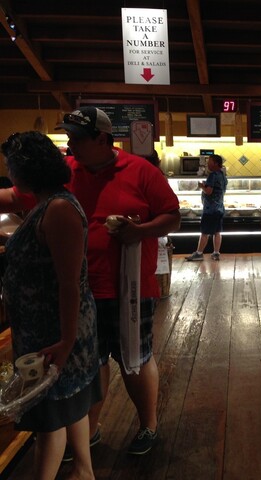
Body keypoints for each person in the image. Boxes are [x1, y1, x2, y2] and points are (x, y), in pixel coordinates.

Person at [0, 107, 181, 457]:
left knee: (135, 359)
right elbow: (15, 196)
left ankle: (148, 425)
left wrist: (140, 230)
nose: (70, 146)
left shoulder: (142, 170)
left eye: (77, 139)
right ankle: (91, 430)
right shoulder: (66, 170)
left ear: (102, 139)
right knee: (91, 364)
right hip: (81, 294)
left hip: (130, 289)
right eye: (68, 138)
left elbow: (172, 217)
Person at [1, 131, 100, 479]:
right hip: (47, 332)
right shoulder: (47, 204)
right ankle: (84, 472)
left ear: (26, 169)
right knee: (68, 408)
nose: (8, 173)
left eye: (10, 165)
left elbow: (69, 284)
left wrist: (66, 342)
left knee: (49, 419)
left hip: (54, 334)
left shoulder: (59, 208)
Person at [186, 154, 227, 261]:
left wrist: (202, 187)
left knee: (204, 232)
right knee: (217, 232)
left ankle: (199, 253)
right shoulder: (222, 175)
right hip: (219, 208)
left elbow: (209, 191)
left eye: (210, 162)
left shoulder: (213, 175)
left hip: (210, 209)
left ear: (216, 163)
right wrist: (206, 186)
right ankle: (216, 253)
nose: (207, 164)